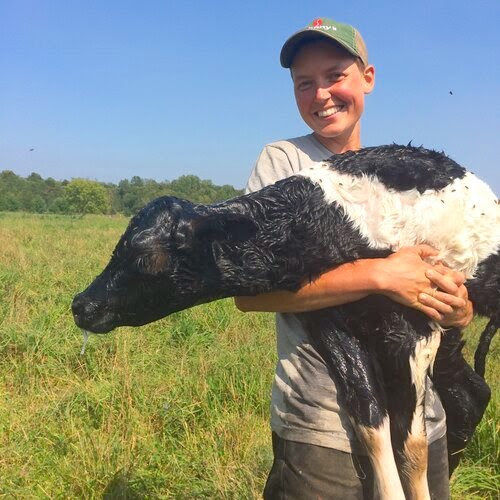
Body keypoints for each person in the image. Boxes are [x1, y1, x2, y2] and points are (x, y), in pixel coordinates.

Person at [234, 17, 473, 500]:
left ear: (368, 78)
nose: (321, 94)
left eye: (335, 75)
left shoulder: (403, 174)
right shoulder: (285, 163)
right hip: (326, 429)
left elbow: (442, 283)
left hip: (421, 423)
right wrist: (381, 275)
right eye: (304, 83)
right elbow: (250, 294)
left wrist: (459, 310)